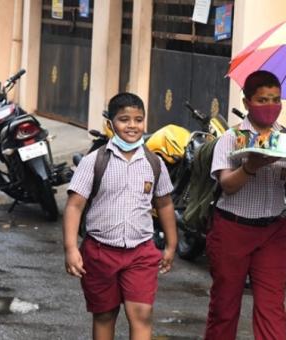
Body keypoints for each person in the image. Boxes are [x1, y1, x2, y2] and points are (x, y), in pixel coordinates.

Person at [205, 70, 286, 340]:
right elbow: (227, 185)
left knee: (272, 308)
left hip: (272, 232)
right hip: (232, 230)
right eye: (262, 100)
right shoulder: (231, 137)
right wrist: (251, 166)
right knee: (224, 307)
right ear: (247, 103)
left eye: (276, 99)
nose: (271, 106)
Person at [63, 92, 177, 340]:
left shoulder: (154, 163)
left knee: (142, 313)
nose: (132, 126)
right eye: (124, 119)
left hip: (141, 252)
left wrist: (171, 244)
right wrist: (71, 248)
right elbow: (74, 205)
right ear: (111, 123)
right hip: (100, 252)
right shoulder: (94, 161)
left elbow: (165, 203)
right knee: (104, 314)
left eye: (138, 119)